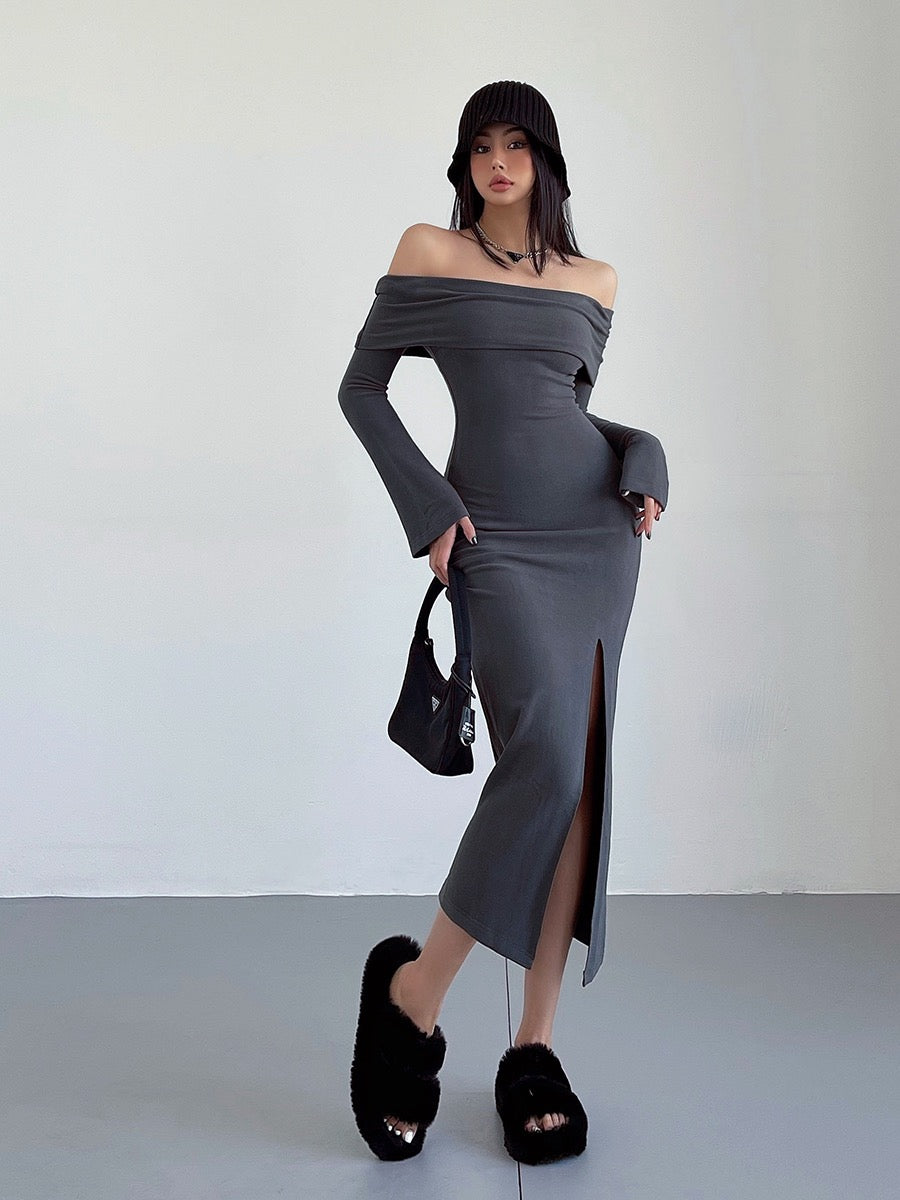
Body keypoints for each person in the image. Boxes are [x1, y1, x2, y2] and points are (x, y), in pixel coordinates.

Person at [339, 80, 669, 1165]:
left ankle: (534, 1047)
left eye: (517, 144)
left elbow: (562, 413)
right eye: (481, 145)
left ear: (547, 162)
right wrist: (429, 507)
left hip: (595, 538)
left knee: (579, 783)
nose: (498, 162)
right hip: (494, 537)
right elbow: (361, 390)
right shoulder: (429, 253)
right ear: (464, 161)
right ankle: (414, 996)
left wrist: (644, 454)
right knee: (545, 764)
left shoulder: (594, 279)